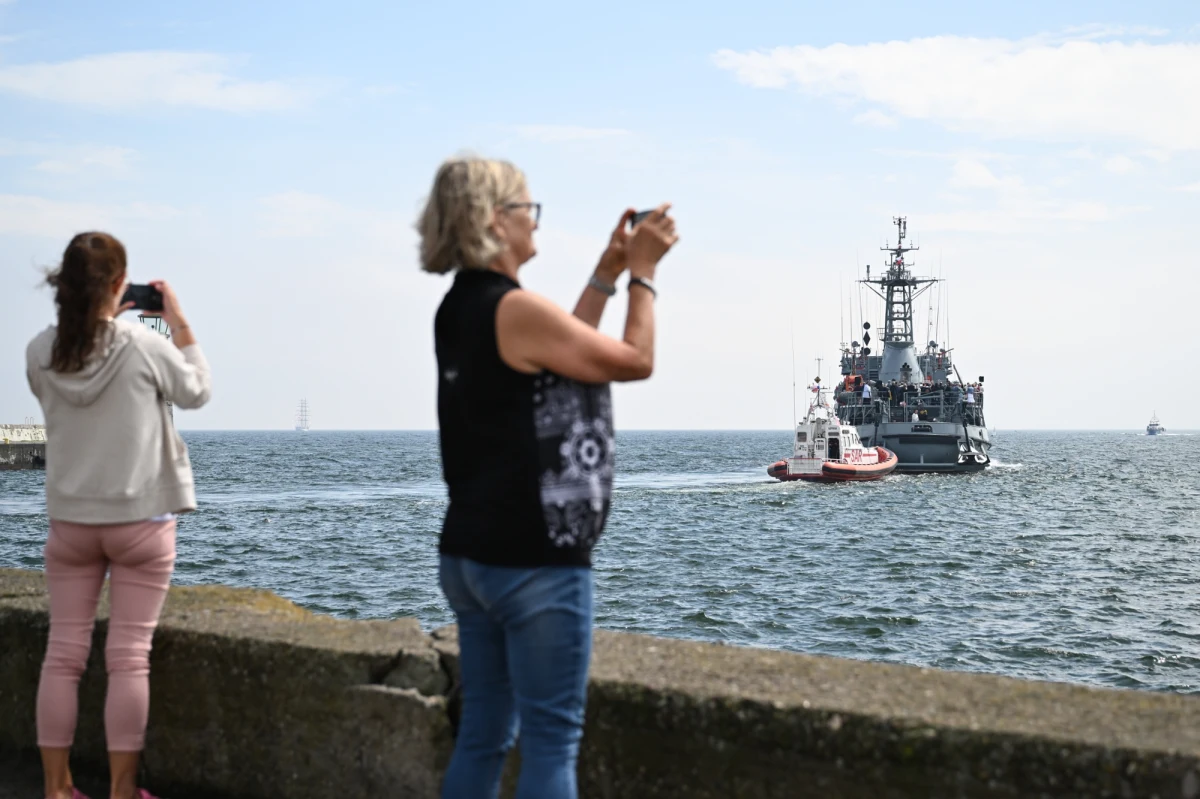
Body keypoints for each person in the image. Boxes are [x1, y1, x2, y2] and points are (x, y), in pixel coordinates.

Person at [417, 157, 678, 799]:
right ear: (492, 221)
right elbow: (633, 361)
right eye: (526, 209)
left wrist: (606, 274)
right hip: (533, 559)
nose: (536, 222)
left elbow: (560, 353)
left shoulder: (460, 308)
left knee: (482, 734)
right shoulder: (514, 310)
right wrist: (643, 274)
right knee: (553, 743)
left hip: (471, 554)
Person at [26, 232, 211, 799]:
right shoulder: (143, 344)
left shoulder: (39, 350)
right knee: (129, 659)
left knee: (63, 656)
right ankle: (122, 791)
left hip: (71, 523)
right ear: (117, 286)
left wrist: (100, 318)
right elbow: (197, 391)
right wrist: (177, 322)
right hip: (141, 520)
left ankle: (57, 789)